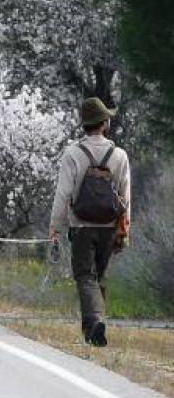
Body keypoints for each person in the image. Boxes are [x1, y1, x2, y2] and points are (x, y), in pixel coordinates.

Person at [50, 97, 132, 348]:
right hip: (109, 227)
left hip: (82, 226)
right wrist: (124, 229)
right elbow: (126, 197)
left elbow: (63, 194)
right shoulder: (119, 155)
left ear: (84, 124)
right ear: (105, 123)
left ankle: (95, 323)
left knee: (85, 276)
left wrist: (55, 226)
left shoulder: (73, 153)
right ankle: (93, 330)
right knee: (99, 277)